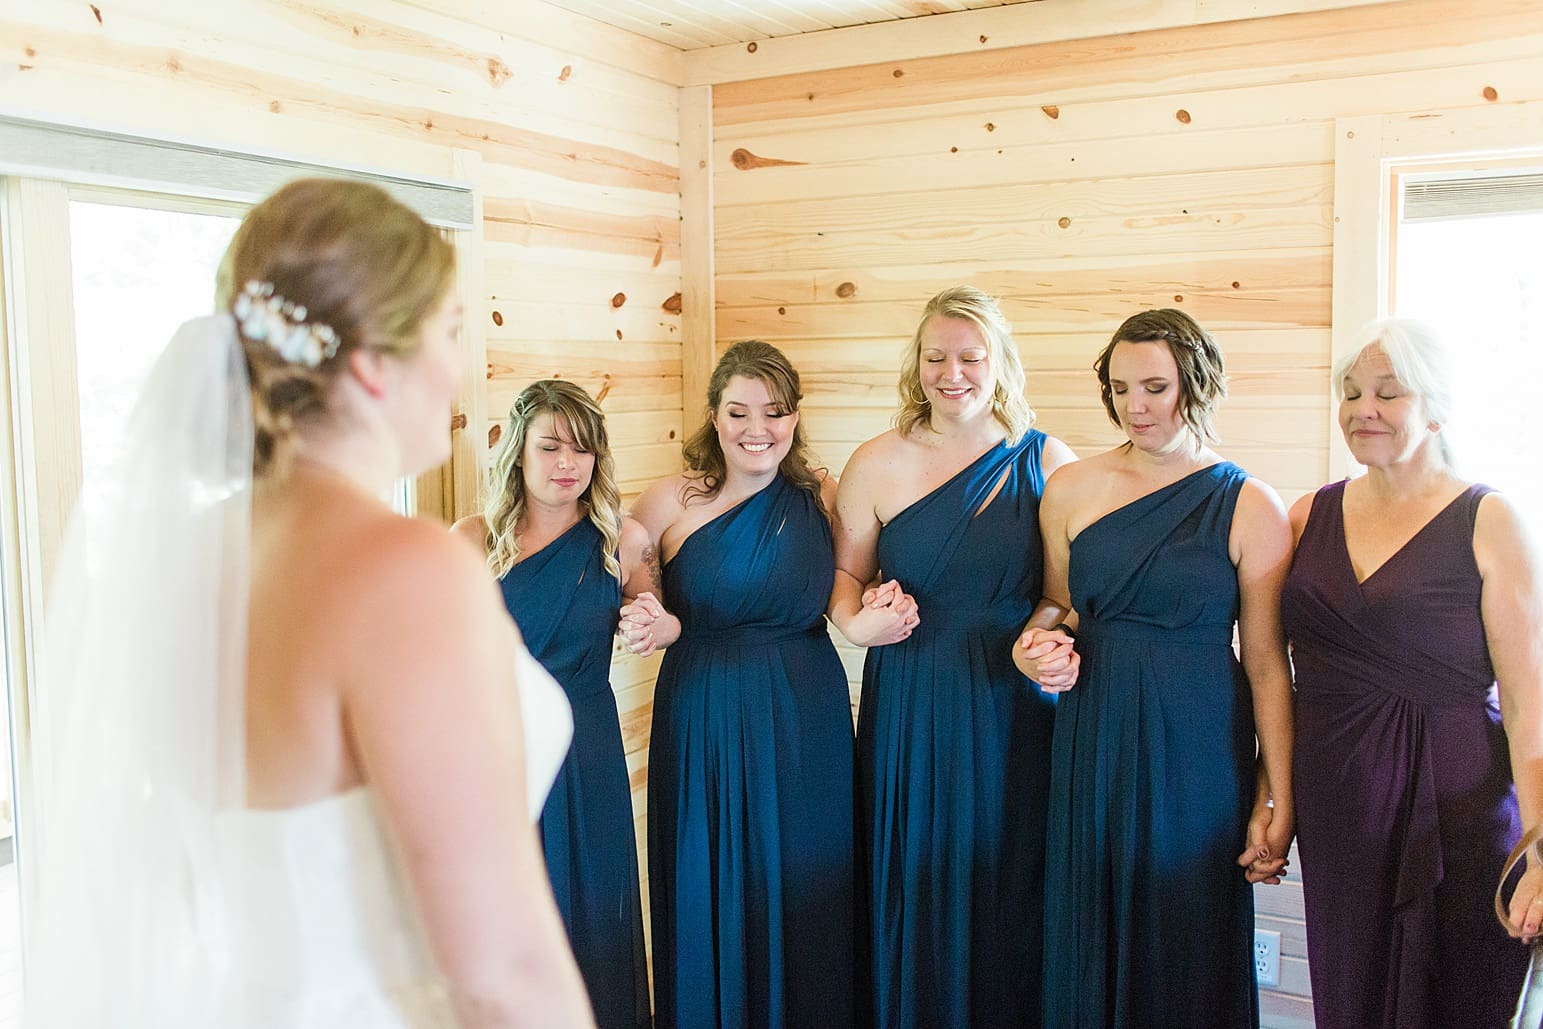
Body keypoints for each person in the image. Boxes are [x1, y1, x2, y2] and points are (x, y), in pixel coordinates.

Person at [25, 178, 594, 1029]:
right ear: (371, 364)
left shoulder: (182, 559)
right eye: (450, 331)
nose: (456, 367)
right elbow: (501, 971)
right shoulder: (410, 571)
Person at [1025, 308, 1294, 1029]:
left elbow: (1268, 664)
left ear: (1194, 384)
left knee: (1187, 917)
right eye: (1119, 388)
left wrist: (1279, 794)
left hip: (1199, 737)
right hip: (1094, 726)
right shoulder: (1071, 488)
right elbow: (1057, 604)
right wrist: (1033, 646)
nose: (1134, 406)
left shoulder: (1248, 503)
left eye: (1154, 386)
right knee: (1090, 904)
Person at [1281, 318, 1543, 1028]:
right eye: (1350, 392)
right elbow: (1265, 666)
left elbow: (1526, 702)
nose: (1362, 408)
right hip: (1338, 809)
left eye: (1387, 393)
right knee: (1350, 995)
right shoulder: (1307, 516)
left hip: (1458, 803)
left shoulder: (1487, 519)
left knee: (1461, 995)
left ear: (1435, 408)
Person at [830, 285, 1075, 1029]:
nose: (953, 372)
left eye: (971, 356)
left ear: (1000, 364)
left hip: (1010, 696)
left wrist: (1037, 637)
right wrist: (856, 624)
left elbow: (1062, 594)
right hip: (909, 692)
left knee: (1007, 874)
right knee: (914, 869)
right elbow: (844, 580)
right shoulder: (876, 460)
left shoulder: (1046, 460)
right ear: (917, 364)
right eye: (936, 357)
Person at [629, 340, 854, 1029]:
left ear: (794, 416)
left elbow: (855, 576)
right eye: (738, 411)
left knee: (807, 876)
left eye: (774, 411)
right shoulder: (673, 496)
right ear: (714, 415)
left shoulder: (820, 490)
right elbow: (636, 564)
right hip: (705, 709)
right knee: (711, 873)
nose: (757, 428)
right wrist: (651, 608)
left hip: (805, 709)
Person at [452, 378, 673, 1029]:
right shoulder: (470, 538)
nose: (566, 464)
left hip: (587, 748)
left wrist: (653, 622)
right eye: (549, 447)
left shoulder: (619, 539)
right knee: (508, 913)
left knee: (593, 906)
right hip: (496, 748)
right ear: (517, 452)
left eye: (580, 450)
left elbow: (653, 612)